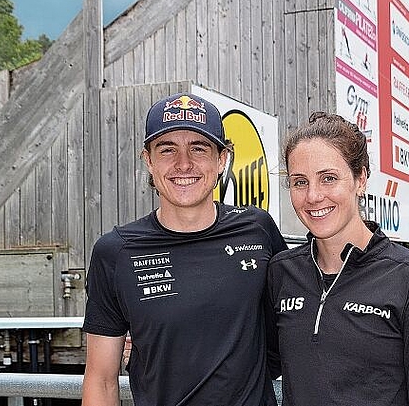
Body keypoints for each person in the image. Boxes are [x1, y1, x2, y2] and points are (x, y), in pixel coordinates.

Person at [82, 92, 287, 406]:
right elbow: (101, 380)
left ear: (222, 159)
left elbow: (301, 316)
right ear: (148, 160)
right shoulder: (116, 252)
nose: (184, 164)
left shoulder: (258, 229)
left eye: (199, 148)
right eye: (167, 149)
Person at [268, 112, 409, 405]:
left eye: (328, 178)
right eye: (300, 182)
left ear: (361, 178)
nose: (313, 196)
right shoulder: (281, 273)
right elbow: (251, 365)